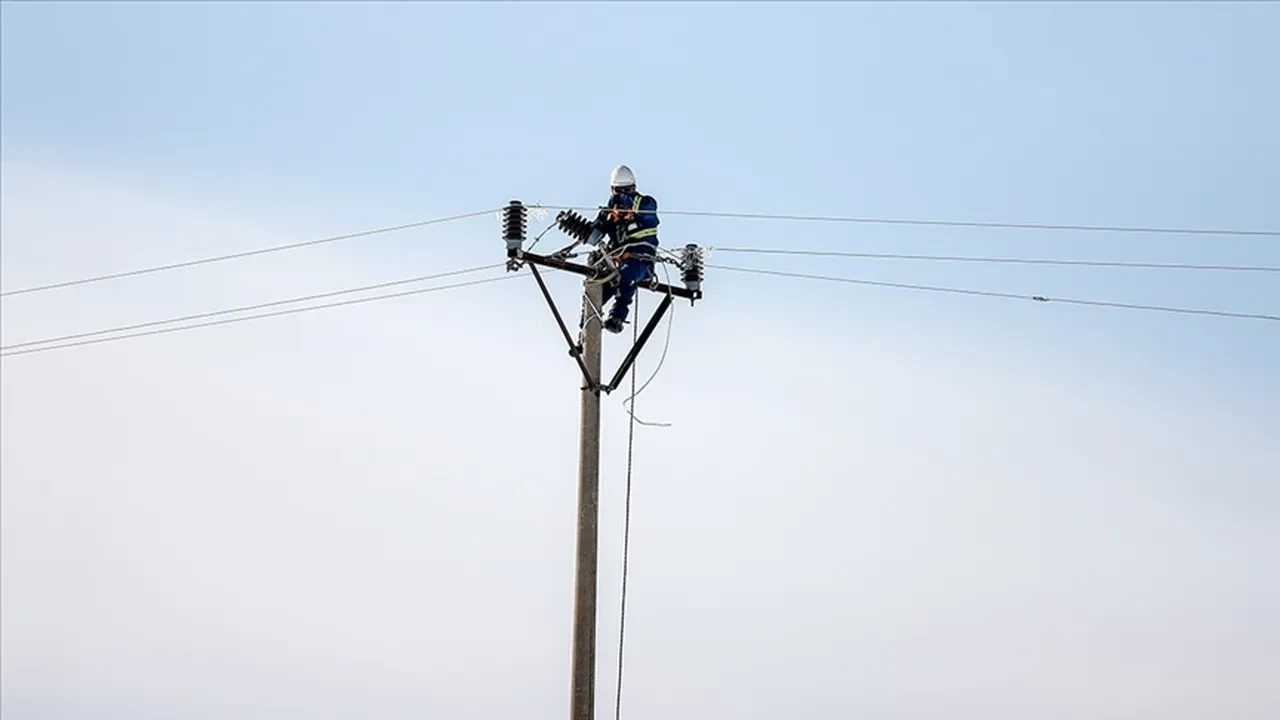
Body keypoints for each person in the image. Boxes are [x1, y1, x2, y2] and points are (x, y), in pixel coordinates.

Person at [589, 165, 659, 334]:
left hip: (640, 261)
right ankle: (586, 329)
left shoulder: (644, 204)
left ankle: (617, 317)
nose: (621, 195)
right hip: (615, 263)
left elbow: (649, 211)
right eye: (618, 191)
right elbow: (596, 232)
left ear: (634, 188)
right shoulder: (610, 211)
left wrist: (625, 202)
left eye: (626, 190)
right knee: (596, 291)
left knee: (626, 277)